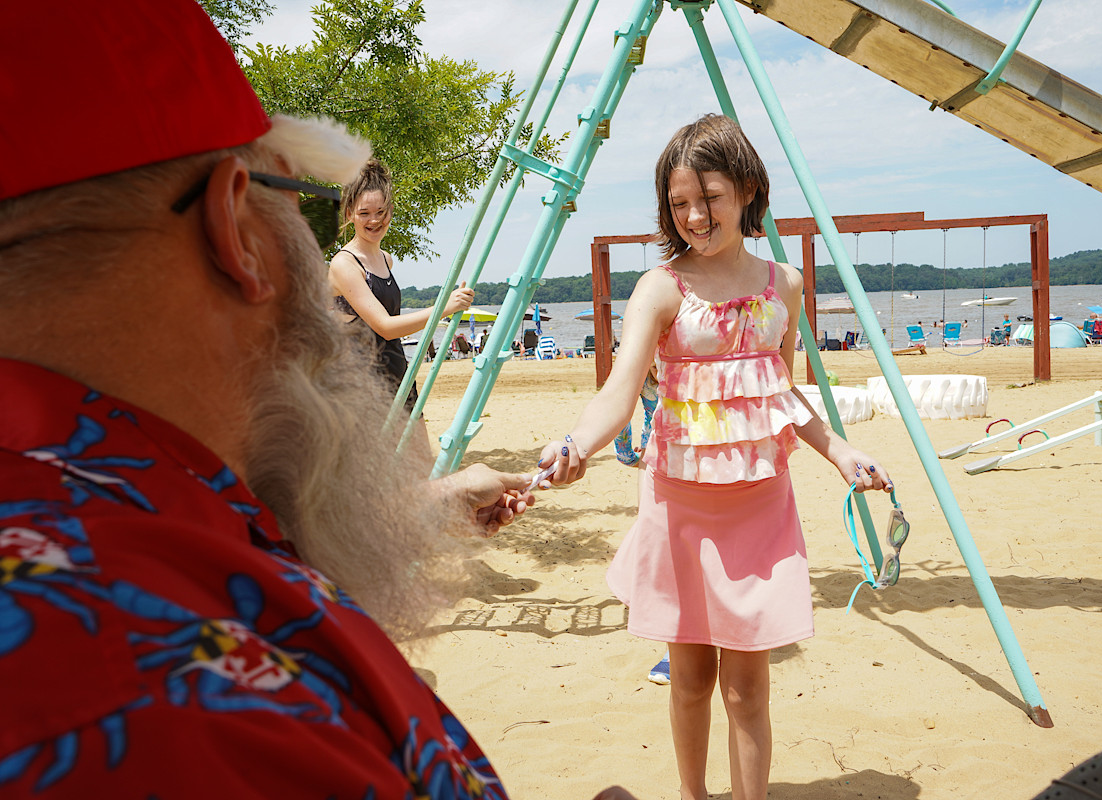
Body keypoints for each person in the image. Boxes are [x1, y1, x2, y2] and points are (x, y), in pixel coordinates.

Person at [0, 3, 633, 798]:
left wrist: (426, 507)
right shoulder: (159, 696)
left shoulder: (85, 494)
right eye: (293, 199)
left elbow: (210, 548)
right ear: (238, 227)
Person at [534, 115, 893, 800]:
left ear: (749, 190)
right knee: (692, 679)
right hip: (680, 503)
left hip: (761, 503)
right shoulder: (662, 288)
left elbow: (779, 393)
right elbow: (617, 392)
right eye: (679, 203)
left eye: (712, 196)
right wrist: (578, 444)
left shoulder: (784, 284)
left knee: (749, 687)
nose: (696, 216)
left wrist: (841, 452)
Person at [330, 159, 474, 411]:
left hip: (399, 377)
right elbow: (385, 327)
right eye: (364, 213)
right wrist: (444, 307)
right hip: (360, 389)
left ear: (391, 210)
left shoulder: (386, 260)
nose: (374, 221)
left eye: (381, 212)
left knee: (420, 453)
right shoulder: (344, 264)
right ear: (350, 212)